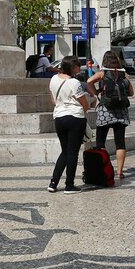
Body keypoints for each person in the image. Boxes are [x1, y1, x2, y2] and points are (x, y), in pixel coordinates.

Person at [87, 51, 134, 179]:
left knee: (100, 142)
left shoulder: (102, 73)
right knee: (120, 142)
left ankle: (104, 168)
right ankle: (120, 172)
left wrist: (95, 92)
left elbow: (89, 81)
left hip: (105, 110)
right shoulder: (124, 74)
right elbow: (131, 93)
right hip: (121, 111)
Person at [47, 56, 89, 194]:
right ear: (72, 67)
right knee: (72, 152)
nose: (79, 68)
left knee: (64, 151)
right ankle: (69, 185)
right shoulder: (74, 82)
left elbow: (53, 100)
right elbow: (84, 103)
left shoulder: (53, 79)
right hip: (75, 118)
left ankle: (53, 183)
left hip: (59, 117)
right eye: (77, 66)